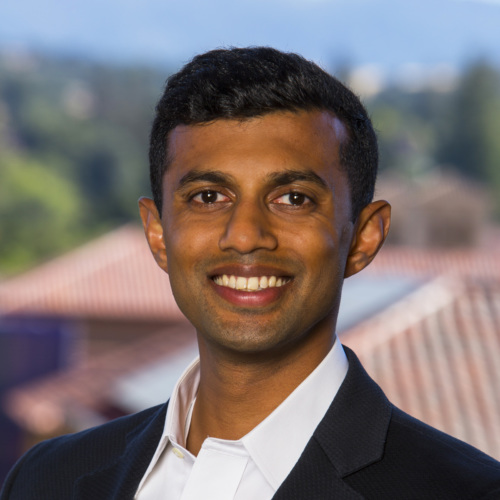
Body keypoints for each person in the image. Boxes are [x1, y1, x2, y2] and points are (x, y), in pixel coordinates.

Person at [2, 47, 500, 500]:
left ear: (364, 237)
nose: (244, 236)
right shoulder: (47, 480)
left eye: (293, 199)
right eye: (208, 197)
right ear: (158, 234)